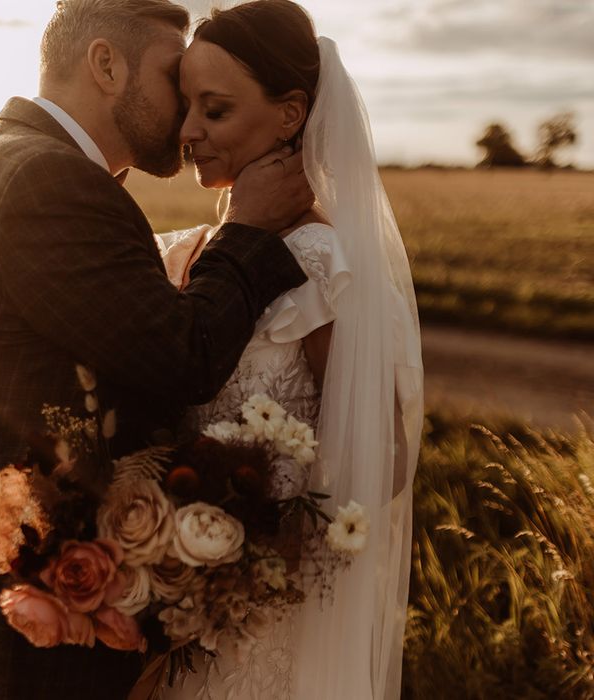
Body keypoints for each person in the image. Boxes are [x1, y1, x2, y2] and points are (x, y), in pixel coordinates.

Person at [0, 1, 315, 698]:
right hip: (12, 608)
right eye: (173, 77)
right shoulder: (45, 180)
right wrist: (248, 232)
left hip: (24, 590)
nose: (186, 107)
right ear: (106, 65)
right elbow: (184, 357)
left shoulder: (36, 166)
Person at [158, 1, 424, 698]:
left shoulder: (320, 265)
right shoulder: (188, 253)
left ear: (289, 115)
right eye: (185, 106)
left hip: (263, 619)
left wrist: (262, 530)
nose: (187, 131)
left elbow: (384, 462)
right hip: (175, 607)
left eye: (214, 111)